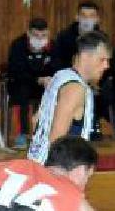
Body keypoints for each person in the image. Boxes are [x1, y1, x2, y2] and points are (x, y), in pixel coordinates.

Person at [26, 30, 109, 165]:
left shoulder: (60, 76)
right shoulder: (75, 89)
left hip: (37, 162)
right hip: (54, 170)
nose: (106, 65)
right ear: (85, 56)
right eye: (102, 59)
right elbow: (56, 140)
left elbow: (36, 120)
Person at [50, 1, 111, 140]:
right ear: (76, 17)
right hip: (69, 77)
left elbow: (106, 65)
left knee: (107, 89)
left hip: (96, 79)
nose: (87, 19)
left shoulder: (103, 38)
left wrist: (96, 81)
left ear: (97, 19)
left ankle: (94, 123)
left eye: (91, 16)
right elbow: (56, 62)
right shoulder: (64, 36)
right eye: (83, 15)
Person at [6, 18, 55, 149]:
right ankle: (22, 134)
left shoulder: (53, 46)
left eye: (43, 35)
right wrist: (37, 79)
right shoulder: (18, 45)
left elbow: (58, 67)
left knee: (54, 92)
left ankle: (44, 133)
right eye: (36, 35)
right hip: (22, 83)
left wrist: (49, 78)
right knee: (21, 92)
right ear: (28, 33)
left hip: (45, 85)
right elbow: (16, 71)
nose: (40, 39)